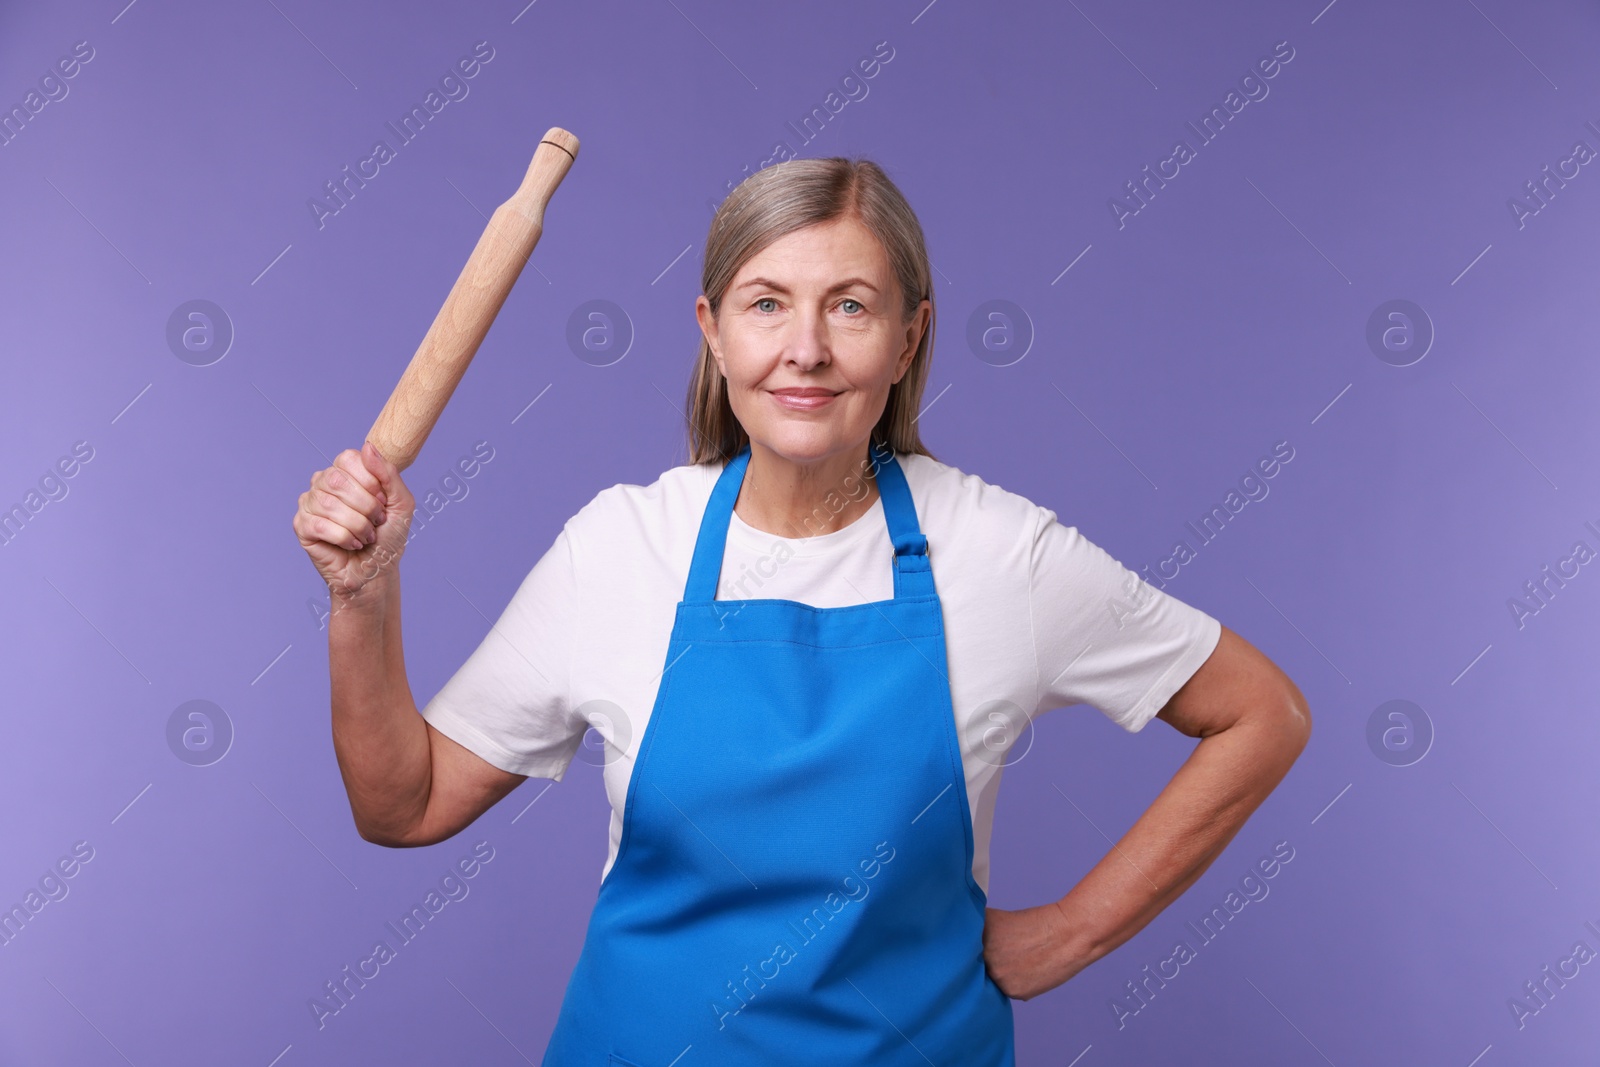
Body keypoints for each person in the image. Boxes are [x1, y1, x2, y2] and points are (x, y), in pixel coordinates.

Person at [293, 156, 1311, 1065]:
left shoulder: (1000, 553)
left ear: (909, 337)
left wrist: (1075, 929)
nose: (806, 349)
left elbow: (1260, 711)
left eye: (852, 306)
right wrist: (362, 593)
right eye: (767, 303)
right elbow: (404, 804)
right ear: (712, 331)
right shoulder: (621, 546)